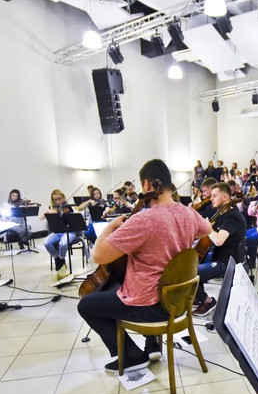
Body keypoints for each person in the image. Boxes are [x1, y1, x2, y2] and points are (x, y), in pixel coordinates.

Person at [77, 159, 212, 373]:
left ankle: (131, 356)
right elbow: (206, 230)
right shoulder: (188, 213)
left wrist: (111, 226)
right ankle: (152, 344)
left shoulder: (143, 221)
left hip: (150, 306)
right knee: (133, 282)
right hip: (178, 302)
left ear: (148, 185)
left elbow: (99, 255)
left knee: (86, 305)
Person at [193, 182, 246, 316]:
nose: (211, 198)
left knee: (190, 273)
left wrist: (208, 228)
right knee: (190, 263)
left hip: (226, 262)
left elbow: (218, 240)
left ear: (224, 197)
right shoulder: (223, 214)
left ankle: (207, 301)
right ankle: (196, 296)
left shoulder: (232, 216)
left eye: (215, 195)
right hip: (219, 256)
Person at [39, 189, 84, 275]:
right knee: (46, 242)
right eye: (55, 199)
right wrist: (47, 212)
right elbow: (40, 218)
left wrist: (65, 212)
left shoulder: (68, 207)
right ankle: (57, 259)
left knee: (63, 244)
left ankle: (62, 259)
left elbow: (73, 221)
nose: (58, 201)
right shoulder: (52, 208)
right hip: (57, 232)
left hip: (69, 232)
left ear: (63, 198)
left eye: (59, 198)